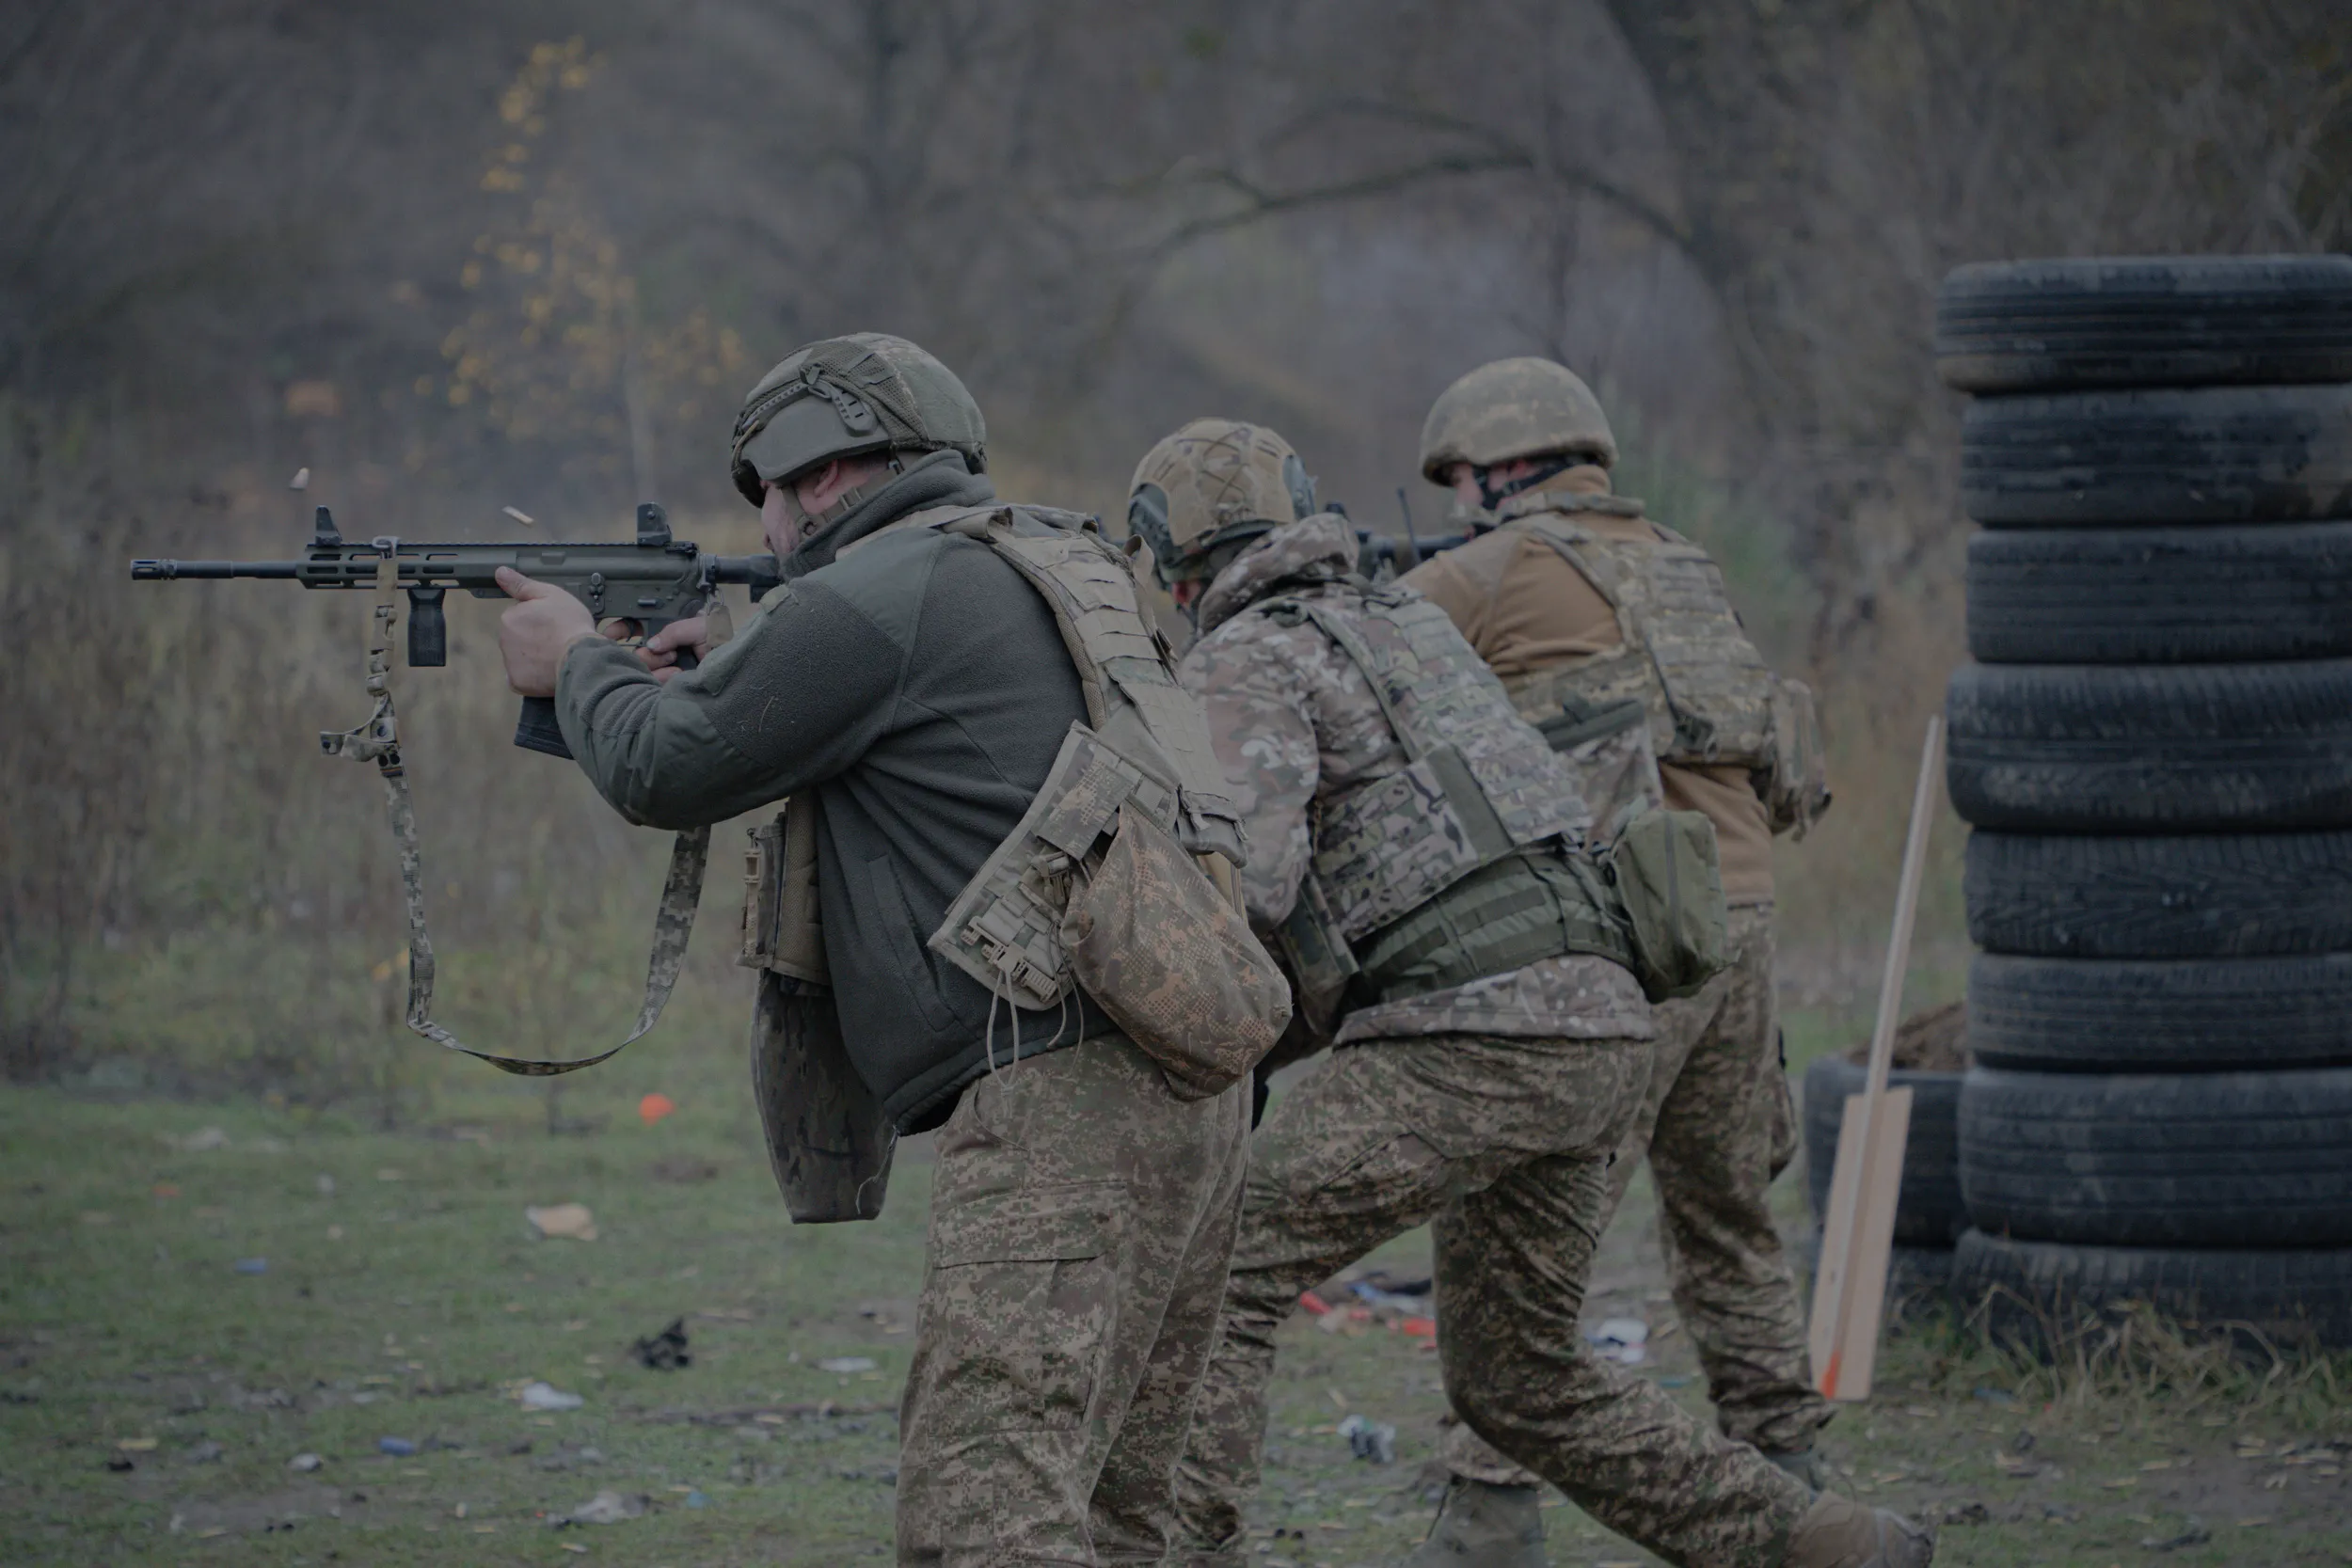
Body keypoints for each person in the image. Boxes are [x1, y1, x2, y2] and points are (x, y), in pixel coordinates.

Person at [494, 334, 1266, 1568]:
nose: (778, 514)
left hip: (1062, 1095)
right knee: (1133, 1517)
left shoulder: (879, 589)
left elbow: (663, 767)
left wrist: (575, 659)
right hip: (1186, 1074)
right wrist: (725, 671)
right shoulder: (1051, 556)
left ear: (829, 471)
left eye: (785, 481)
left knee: (983, 1517)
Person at [1134, 418, 1928, 1568]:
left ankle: (1183, 1550)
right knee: (1521, 1373)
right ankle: (1821, 1539)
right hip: (1600, 1024)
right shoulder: (1410, 620)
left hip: (1465, 1033)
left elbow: (1251, 883)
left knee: (1218, 1258)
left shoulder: (1248, 653)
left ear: (1173, 562)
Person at [1398, 357, 1836, 1565]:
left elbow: (1360, 670)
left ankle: (1486, 1517)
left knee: (1520, 1239)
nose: (1459, 498)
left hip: (1621, 943)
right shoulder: (1686, 565)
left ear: (1501, 466)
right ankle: (1792, 1472)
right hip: (1738, 928)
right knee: (1729, 1218)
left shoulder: (1484, 573)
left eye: (1465, 477)